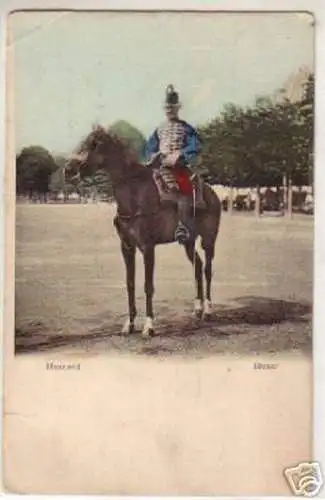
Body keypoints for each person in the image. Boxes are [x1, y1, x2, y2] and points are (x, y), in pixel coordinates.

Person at [145, 84, 205, 243]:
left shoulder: (186, 128)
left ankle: (182, 227)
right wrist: (153, 156)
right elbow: (150, 147)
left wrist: (181, 154)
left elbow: (195, 145)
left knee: (181, 192)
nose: (169, 110)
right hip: (161, 166)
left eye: (172, 108)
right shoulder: (159, 129)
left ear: (177, 108)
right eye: (167, 108)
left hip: (179, 167)